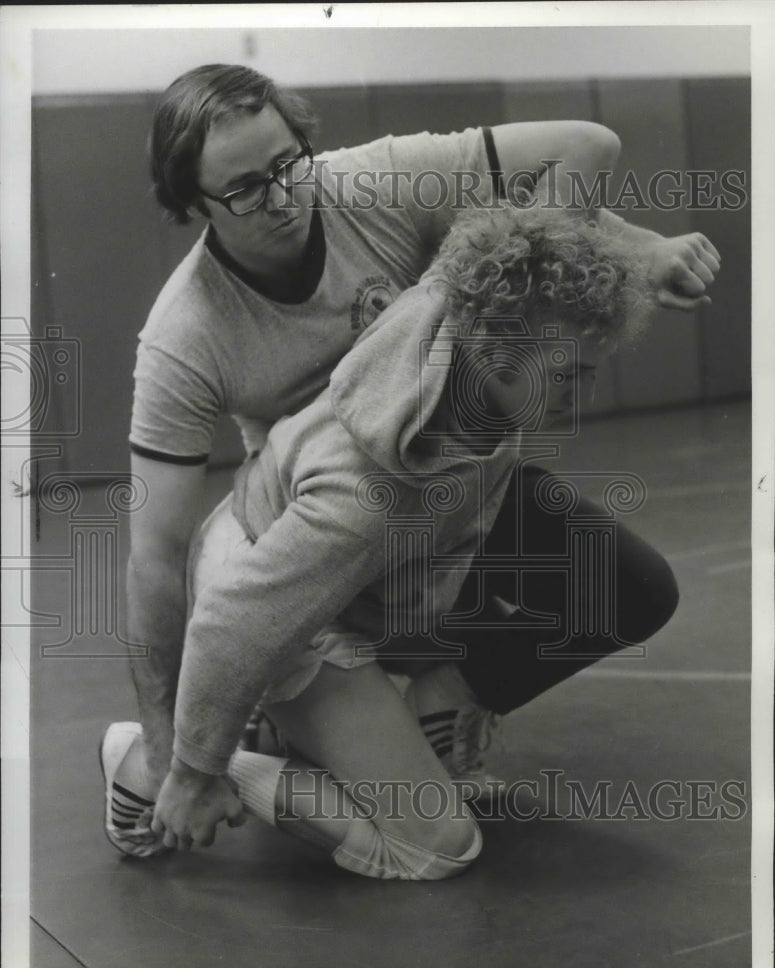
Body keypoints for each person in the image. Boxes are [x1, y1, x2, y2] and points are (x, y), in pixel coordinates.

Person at [127, 63, 720, 812]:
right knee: (423, 827)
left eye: (286, 165)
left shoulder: (370, 182)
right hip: (321, 521)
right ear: (191, 203)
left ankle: (437, 694)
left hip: (442, 480)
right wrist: (167, 757)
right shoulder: (184, 336)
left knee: (628, 589)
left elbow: (572, 158)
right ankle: (303, 728)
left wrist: (635, 247)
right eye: (244, 189)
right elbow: (156, 558)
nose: (281, 199)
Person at [105, 204, 684, 879]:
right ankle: (172, 765)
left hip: (363, 572)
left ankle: (368, 727)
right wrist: (191, 769)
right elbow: (230, 624)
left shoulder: (461, 296)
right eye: (566, 374)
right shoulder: (367, 492)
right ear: (493, 346)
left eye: (586, 370)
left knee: (620, 581)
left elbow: (547, 189)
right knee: (434, 847)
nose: (578, 394)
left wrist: (646, 247)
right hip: (281, 604)